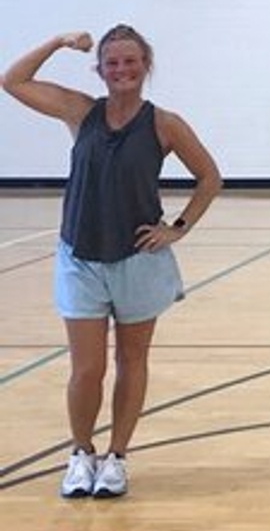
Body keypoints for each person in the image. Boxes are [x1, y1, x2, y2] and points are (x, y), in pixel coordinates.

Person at [1, 25, 222, 498]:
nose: (122, 70)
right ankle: (81, 453)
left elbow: (209, 177)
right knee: (86, 369)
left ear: (146, 65)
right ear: (99, 69)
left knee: (131, 360)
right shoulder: (81, 111)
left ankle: (117, 457)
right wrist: (58, 42)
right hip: (80, 256)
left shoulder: (165, 124)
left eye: (130, 61)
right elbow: (12, 80)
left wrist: (176, 229)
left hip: (138, 259)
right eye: (112, 62)